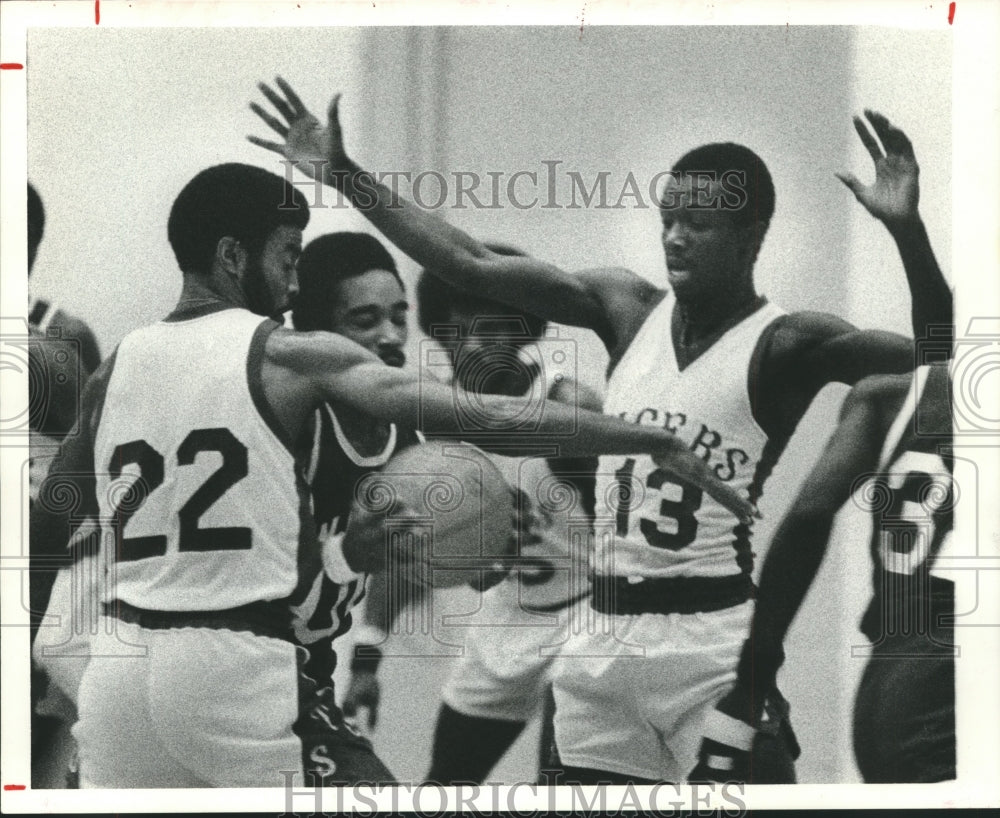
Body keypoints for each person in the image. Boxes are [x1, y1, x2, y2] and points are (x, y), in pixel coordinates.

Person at [248, 80, 952, 783]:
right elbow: (470, 262)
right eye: (667, 217)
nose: (675, 235)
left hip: (709, 646)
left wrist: (907, 234)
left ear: (751, 235)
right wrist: (345, 175)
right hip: (601, 637)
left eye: (698, 224)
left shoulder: (788, 341)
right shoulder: (626, 307)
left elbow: (941, 349)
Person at [29, 160, 753, 788]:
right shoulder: (291, 356)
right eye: (286, 257)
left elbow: (50, 521)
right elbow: (484, 418)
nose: (289, 283)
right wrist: (645, 437)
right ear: (230, 256)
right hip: (233, 665)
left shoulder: (117, 364)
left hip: (118, 671)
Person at [344, 250, 604, 784]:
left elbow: (626, 529)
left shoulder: (566, 402)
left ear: (521, 332)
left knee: (560, 788)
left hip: (587, 614)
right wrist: (367, 658)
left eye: (489, 330)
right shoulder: (438, 423)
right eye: (457, 332)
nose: (471, 345)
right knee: (444, 786)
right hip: (509, 615)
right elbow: (403, 545)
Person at [694, 360, 955, 783]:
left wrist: (754, 679)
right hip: (952, 687)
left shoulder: (890, 394)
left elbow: (808, 516)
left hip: (886, 690)